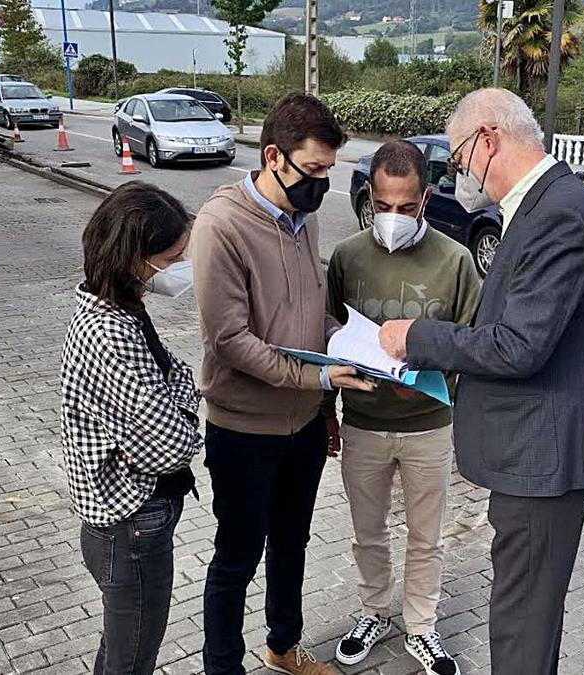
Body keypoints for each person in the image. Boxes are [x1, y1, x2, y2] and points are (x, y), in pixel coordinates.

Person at [377, 88, 584, 675]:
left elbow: (519, 345)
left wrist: (418, 338)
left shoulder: (558, 212)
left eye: (462, 161)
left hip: (544, 458)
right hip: (533, 452)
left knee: (522, 615)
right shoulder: (544, 204)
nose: (467, 176)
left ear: (488, 138)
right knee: (529, 611)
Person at [191, 92, 374, 675]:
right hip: (243, 429)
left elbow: (307, 312)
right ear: (274, 156)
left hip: (301, 425)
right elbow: (230, 340)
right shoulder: (221, 225)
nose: (322, 184)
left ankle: (282, 646)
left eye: (329, 171)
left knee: (290, 545)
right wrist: (318, 372)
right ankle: (222, 667)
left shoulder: (304, 219)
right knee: (236, 558)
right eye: (314, 170)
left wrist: (348, 344)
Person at [324, 141, 481, 675]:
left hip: (428, 426)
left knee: (426, 535)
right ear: (370, 195)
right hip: (364, 423)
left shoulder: (456, 261)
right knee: (367, 531)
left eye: (407, 207)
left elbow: (474, 342)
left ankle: (421, 625)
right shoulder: (346, 258)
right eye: (384, 205)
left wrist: (443, 379)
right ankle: (373, 613)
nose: (394, 218)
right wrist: (328, 411)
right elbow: (328, 336)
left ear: (426, 198)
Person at [60, 181, 204, 675]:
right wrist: (185, 402)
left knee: (120, 650)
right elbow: (170, 447)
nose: (183, 267)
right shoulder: (112, 333)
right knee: (132, 660)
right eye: (174, 256)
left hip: (125, 523)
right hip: (131, 527)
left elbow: (176, 373)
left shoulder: (119, 309)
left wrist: (176, 391)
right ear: (135, 258)